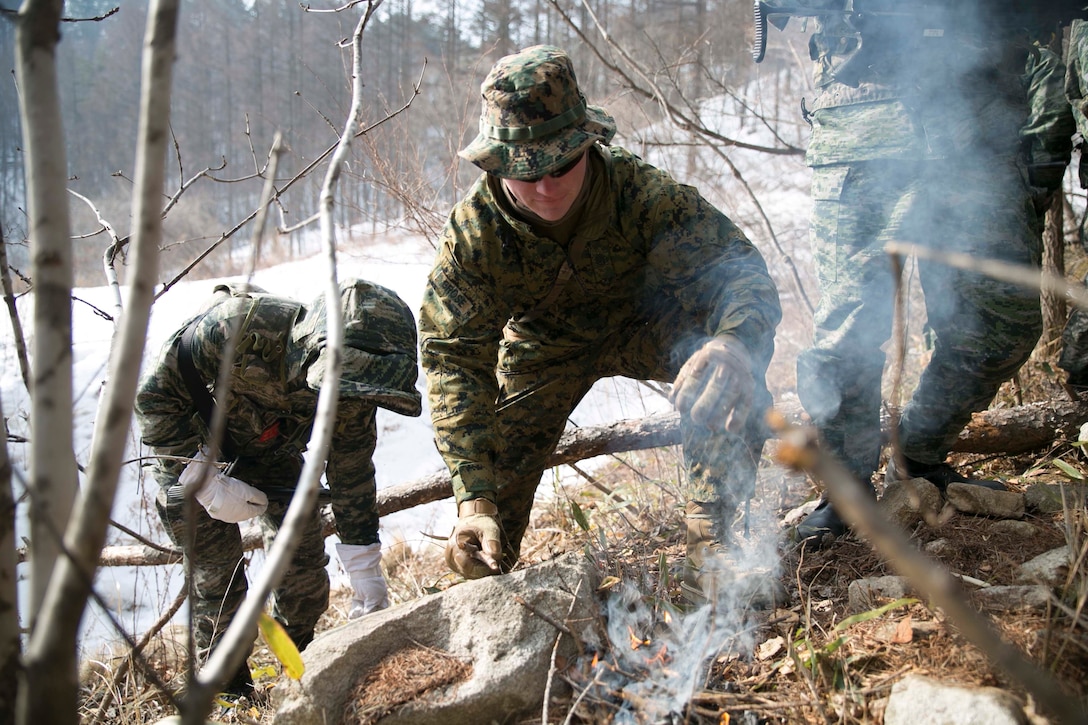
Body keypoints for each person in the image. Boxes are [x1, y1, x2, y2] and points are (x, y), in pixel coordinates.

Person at [418, 45, 782, 603]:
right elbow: (453, 359)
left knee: (729, 375)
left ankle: (714, 547)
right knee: (490, 496)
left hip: (651, 322)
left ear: (588, 144)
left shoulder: (642, 194)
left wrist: (734, 344)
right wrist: (473, 498)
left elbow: (740, 275)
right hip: (544, 346)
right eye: (523, 173)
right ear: (496, 163)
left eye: (561, 165)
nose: (545, 188)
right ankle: (490, 581)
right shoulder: (475, 234)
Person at [758, 3, 1077, 544]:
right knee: (850, 331)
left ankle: (920, 455)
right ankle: (846, 487)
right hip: (867, 120)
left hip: (981, 119)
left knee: (1004, 320)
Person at [135, 278, 422, 697]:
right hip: (191, 451)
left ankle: (296, 664)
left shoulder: (353, 391)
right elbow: (154, 402)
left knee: (302, 562)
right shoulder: (236, 329)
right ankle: (227, 691)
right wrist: (203, 480)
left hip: (270, 451)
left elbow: (351, 471)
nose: (353, 396)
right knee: (218, 580)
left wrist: (364, 567)